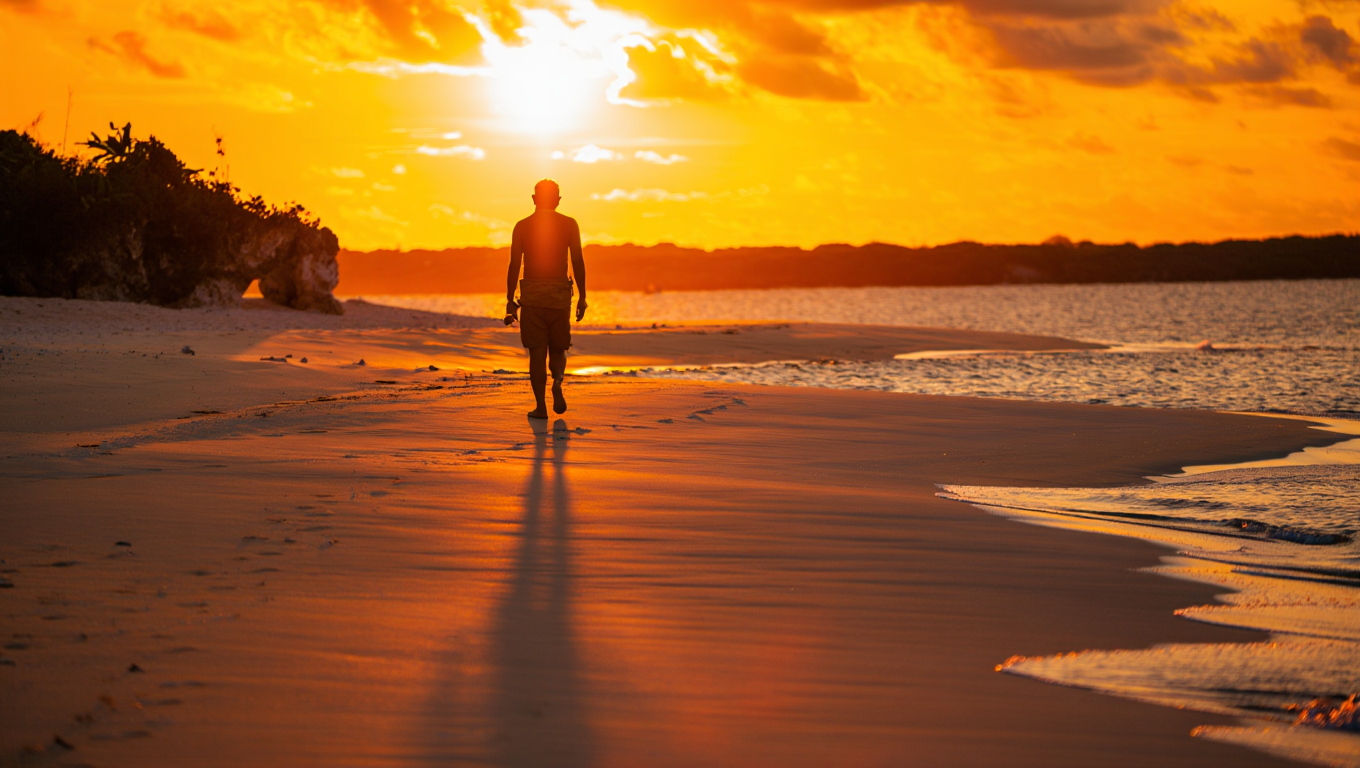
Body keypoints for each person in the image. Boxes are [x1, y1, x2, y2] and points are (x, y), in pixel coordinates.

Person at [505, 179, 588, 419]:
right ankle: (558, 381)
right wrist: (582, 296)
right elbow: (578, 261)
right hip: (560, 297)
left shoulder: (522, 226)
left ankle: (541, 407)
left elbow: (514, 265)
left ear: (534, 199)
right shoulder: (569, 224)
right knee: (559, 347)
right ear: (558, 200)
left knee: (537, 354)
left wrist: (510, 299)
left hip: (532, 298)